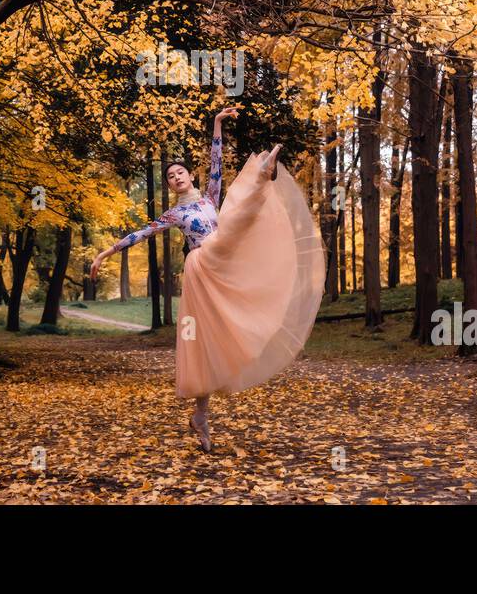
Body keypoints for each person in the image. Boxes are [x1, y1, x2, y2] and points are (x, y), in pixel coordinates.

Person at [89, 106, 325, 451]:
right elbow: (141, 234)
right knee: (202, 343)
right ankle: (201, 415)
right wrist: (104, 253)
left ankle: (261, 176)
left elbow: (216, 161)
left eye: (181, 172)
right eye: (170, 176)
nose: (176, 177)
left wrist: (216, 123)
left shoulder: (211, 196)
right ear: (170, 186)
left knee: (238, 214)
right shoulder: (175, 213)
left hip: (224, 262)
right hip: (202, 271)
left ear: (191, 177)